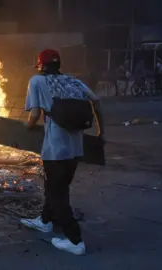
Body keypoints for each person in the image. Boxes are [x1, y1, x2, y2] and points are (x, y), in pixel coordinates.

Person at [21, 49, 105, 255]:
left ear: (40, 66)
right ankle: (45, 221)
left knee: (57, 194)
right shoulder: (73, 81)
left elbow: (34, 113)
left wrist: (28, 126)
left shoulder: (37, 81)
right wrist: (101, 132)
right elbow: (97, 101)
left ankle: (75, 241)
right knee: (55, 186)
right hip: (75, 148)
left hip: (55, 149)